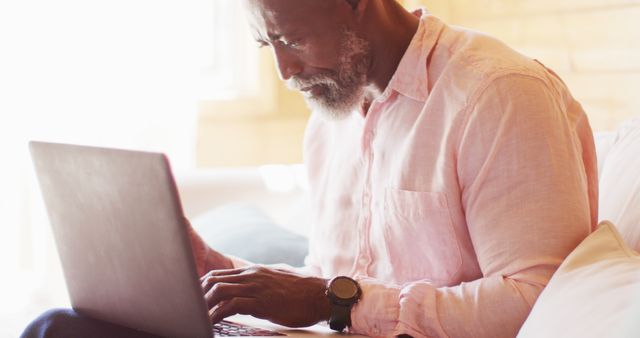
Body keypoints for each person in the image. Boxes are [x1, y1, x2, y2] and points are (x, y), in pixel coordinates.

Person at [22, 0, 598, 337]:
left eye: (291, 38)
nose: (283, 71)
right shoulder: (332, 116)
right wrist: (222, 270)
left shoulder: (498, 95)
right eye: (263, 43)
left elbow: (539, 298)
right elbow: (331, 279)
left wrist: (334, 301)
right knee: (65, 326)